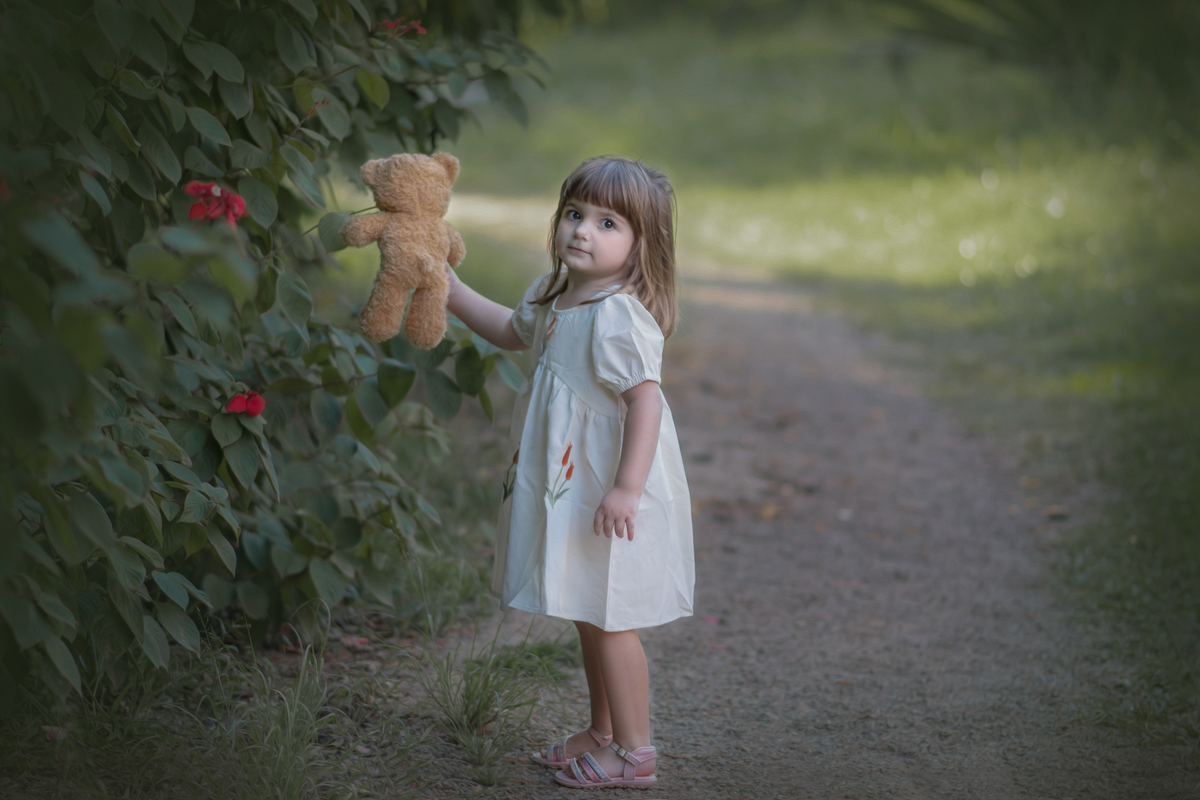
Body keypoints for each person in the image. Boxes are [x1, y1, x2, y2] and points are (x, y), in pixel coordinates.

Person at [444, 155, 694, 789]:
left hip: (613, 491)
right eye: (575, 214)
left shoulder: (619, 316)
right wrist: (446, 288)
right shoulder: (554, 294)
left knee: (612, 620)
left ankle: (636, 753)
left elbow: (644, 400)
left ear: (642, 247)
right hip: (574, 486)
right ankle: (603, 732)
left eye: (608, 223)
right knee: (591, 611)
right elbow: (508, 329)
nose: (582, 230)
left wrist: (628, 488)